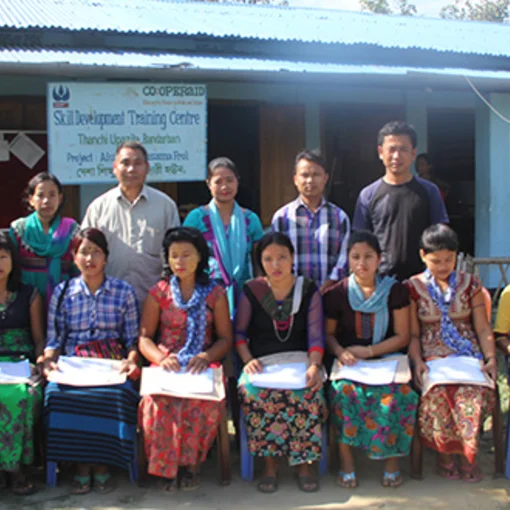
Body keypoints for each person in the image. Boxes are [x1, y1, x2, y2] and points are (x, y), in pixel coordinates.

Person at [43, 228, 140, 495]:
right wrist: (49, 361)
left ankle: (102, 465)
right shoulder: (63, 293)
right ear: (74, 257)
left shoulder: (124, 292)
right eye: (84, 252)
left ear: (106, 258)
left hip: (110, 364)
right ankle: (81, 466)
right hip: (73, 364)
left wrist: (131, 361)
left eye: (96, 252)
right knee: (56, 395)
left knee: (115, 396)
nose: (90, 259)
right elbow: (54, 340)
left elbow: (133, 341)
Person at [138, 227, 232, 492]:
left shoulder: (215, 293)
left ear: (200, 257)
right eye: (174, 255)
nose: (180, 262)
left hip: (202, 362)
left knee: (199, 402)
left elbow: (225, 338)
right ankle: (165, 468)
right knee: (156, 402)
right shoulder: (159, 292)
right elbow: (144, 337)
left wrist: (207, 355)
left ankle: (191, 465)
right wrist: (161, 357)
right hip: (167, 361)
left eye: (186, 255)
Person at [324, 231, 418, 489]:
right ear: (348, 260)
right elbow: (329, 336)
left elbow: (402, 336)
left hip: (386, 359)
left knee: (400, 394)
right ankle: (347, 463)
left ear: (379, 259)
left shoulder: (395, 291)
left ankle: (391, 463)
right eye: (355, 257)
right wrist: (341, 352)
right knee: (343, 393)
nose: (361, 264)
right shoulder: (337, 294)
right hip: (350, 364)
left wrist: (370, 352)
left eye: (368, 257)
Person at [236, 232, 327, 493]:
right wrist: (248, 360)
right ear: (260, 262)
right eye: (268, 259)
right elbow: (240, 334)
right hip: (262, 364)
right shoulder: (252, 290)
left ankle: (304, 464)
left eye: (282, 258)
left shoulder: (308, 289)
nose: (276, 265)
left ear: (292, 258)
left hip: (301, 361)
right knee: (254, 392)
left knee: (308, 390)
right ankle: (270, 464)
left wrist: (313, 365)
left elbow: (316, 335)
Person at [407, 224, 496, 482]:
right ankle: (445, 455)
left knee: (473, 391)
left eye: (449, 259)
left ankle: (468, 455)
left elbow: (482, 327)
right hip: (433, 356)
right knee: (438, 392)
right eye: (436, 261)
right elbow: (413, 335)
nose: (443, 266)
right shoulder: (412, 286)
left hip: (468, 354)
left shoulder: (471, 284)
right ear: (423, 255)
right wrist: (418, 362)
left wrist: (489, 359)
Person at [81, 141, 180, 305]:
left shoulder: (165, 206)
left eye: (138, 163)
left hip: (153, 301)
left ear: (147, 168)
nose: (131, 169)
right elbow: (84, 253)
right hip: (108, 301)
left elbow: (176, 253)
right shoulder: (98, 207)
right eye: (125, 163)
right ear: (114, 167)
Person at [353, 122, 449, 281]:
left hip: (422, 283)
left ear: (413, 153)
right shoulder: (368, 195)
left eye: (403, 149)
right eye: (391, 149)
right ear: (380, 152)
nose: (397, 156)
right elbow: (361, 243)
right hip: (381, 284)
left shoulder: (429, 191)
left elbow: (440, 239)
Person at [183, 157, 264, 317]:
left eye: (229, 180)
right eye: (218, 181)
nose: (225, 186)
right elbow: (185, 256)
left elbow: (258, 263)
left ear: (237, 182)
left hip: (245, 293)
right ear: (208, 183)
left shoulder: (251, 219)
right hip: (206, 293)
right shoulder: (196, 218)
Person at [0, 232, 45, 495]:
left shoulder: (29, 294)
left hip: (20, 364)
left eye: (3, 257)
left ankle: (17, 468)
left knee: (24, 395)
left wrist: (37, 363)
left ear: (12, 261)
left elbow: (39, 339)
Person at [272, 149, 350, 294]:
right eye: (305, 175)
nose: (310, 180)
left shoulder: (340, 217)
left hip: (332, 295)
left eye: (316, 175)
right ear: (295, 179)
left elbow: (344, 258)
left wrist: (328, 285)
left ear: (325, 178)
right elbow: (277, 257)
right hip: (292, 295)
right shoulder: (282, 218)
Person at [10, 172, 79, 309]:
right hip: (25, 304)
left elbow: (78, 271)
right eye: (40, 195)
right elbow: (11, 270)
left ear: (60, 198)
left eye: (52, 195)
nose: (46, 201)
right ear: (31, 199)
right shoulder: (19, 230)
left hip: (64, 302)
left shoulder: (72, 230)